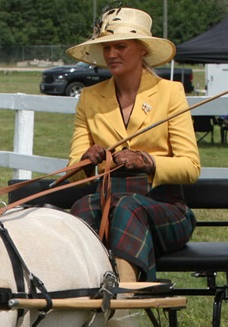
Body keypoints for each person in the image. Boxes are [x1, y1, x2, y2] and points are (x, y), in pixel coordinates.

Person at [64, 7, 200, 282]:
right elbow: (73, 173)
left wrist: (147, 161)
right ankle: (76, 292)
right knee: (81, 209)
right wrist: (86, 160)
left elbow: (191, 167)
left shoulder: (170, 93)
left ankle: (124, 294)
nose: (112, 54)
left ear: (142, 50)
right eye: (107, 47)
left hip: (164, 207)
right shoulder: (89, 98)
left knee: (128, 208)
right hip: (107, 202)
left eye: (121, 46)